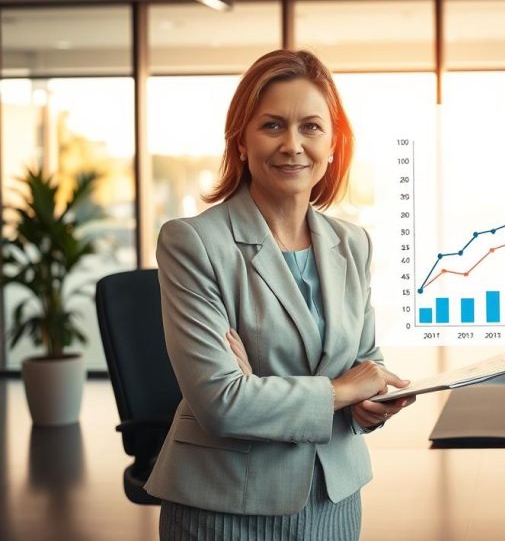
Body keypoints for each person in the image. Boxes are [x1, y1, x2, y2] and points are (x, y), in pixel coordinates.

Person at [145, 49, 415, 539]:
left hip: (333, 498)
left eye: (311, 127)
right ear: (242, 142)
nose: (292, 144)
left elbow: (367, 366)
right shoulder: (194, 242)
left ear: (334, 144)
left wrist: (365, 402)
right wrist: (338, 390)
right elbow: (222, 401)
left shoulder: (352, 244)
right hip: (226, 506)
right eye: (272, 126)